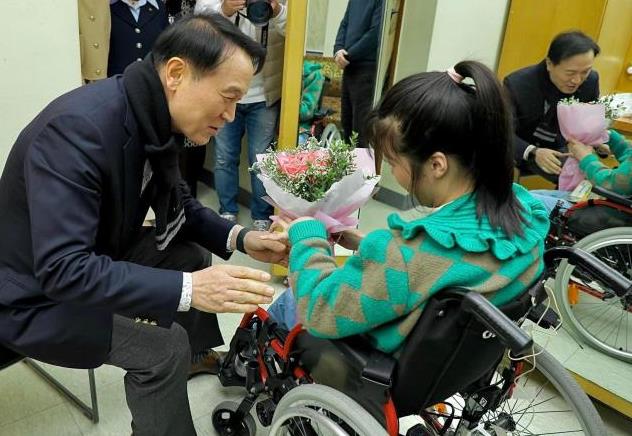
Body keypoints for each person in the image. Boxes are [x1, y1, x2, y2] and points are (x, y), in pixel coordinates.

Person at [0, 14, 287, 435]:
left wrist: (244, 238)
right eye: (228, 98)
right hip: (32, 296)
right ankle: (174, 363)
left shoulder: (150, 116)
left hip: (96, 255)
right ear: (176, 73)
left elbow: (181, 204)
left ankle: (193, 358)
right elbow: (63, 269)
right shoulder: (78, 130)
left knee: (191, 256)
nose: (230, 115)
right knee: (163, 349)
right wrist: (191, 290)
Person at [265, 61, 550, 352]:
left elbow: (319, 312)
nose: (392, 172)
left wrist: (307, 234)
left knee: (289, 303)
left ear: (437, 165)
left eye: (392, 162)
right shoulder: (526, 212)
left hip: (370, 361)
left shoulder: (401, 254)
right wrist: (366, 245)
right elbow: (440, 266)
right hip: (450, 359)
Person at [195, 0, 287, 231]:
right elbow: (199, 21)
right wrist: (224, 9)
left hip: (264, 95)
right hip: (225, 91)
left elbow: (294, 32)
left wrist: (276, 10)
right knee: (224, 157)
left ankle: (262, 215)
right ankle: (227, 211)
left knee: (262, 161)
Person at [504, 30, 600, 182]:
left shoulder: (591, 81)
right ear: (549, 64)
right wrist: (533, 152)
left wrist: (597, 142)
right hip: (522, 148)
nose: (577, 80)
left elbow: (589, 123)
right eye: (570, 73)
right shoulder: (517, 84)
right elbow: (501, 132)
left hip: (563, 147)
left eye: (585, 72)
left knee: (590, 176)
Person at [334, 0, 383, 148]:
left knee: (360, 128)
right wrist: (338, 50)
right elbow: (344, 24)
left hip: (366, 69)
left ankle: (360, 164)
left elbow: (375, 34)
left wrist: (348, 55)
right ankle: (347, 162)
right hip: (349, 67)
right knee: (346, 123)